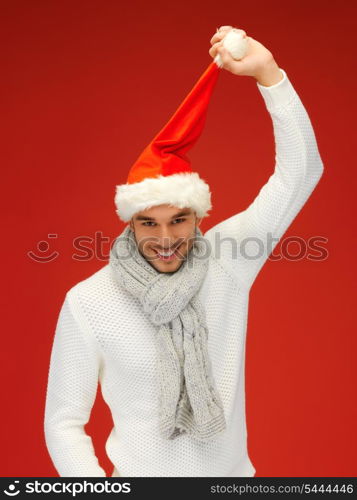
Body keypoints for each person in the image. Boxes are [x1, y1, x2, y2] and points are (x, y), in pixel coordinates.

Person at [44, 26, 324, 477]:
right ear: (128, 222)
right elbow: (63, 423)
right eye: (148, 223)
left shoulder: (227, 260)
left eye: (179, 219)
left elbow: (302, 173)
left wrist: (269, 75)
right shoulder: (89, 301)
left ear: (198, 216)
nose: (167, 238)